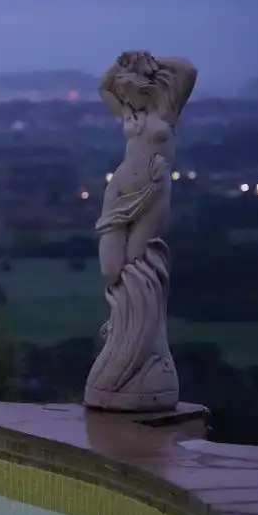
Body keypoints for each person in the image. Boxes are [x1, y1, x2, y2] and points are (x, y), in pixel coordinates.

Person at [85, 52, 197, 411]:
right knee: (111, 270)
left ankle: (140, 349)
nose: (123, 94)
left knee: (136, 261)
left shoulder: (165, 110)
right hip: (119, 192)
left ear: (144, 84)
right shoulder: (130, 113)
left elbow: (188, 71)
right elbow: (103, 85)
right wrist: (123, 63)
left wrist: (149, 61)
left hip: (152, 191)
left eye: (128, 86)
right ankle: (120, 330)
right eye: (122, 90)